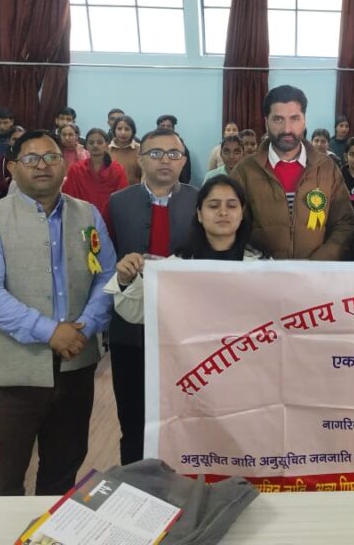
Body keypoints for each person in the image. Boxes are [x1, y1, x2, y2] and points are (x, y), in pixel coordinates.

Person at [0, 129, 116, 495]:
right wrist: (50, 331)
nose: (42, 165)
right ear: (12, 167)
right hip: (12, 375)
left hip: (76, 367)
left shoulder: (88, 214)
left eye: (51, 157)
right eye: (31, 159)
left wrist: (85, 327)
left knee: (62, 474)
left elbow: (106, 277)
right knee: (5, 480)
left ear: (65, 164)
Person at [106, 127, 198, 465]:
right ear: (140, 159)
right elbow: (104, 260)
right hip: (130, 329)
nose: (165, 160)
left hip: (184, 331)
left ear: (184, 161)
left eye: (173, 154)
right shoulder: (118, 203)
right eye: (155, 153)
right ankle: (134, 483)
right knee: (133, 421)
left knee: (184, 421)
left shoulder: (200, 201)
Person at [106, 176, 266, 324]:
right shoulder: (175, 267)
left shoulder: (263, 267)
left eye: (231, 206)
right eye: (213, 206)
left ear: (242, 213)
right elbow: (137, 313)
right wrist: (125, 280)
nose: (223, 212)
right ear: (199, 214)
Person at [230, 85, 354, 260]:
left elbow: (344, 224)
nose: (287, 129)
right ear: (266, 122)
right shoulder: (244, 171)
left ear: (304, 121)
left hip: (316, 274)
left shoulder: (327, 168)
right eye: (278, 119)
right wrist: (258, 263)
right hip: (263, 273)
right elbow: (232, 228)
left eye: (295, 118)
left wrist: (319, 262)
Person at [62, 128, 129, 220]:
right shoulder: (76, 169)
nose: (95, 145)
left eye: (100, 142)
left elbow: (123, 200)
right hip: (82, 220)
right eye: (91, 142)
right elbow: (68, 198)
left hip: (110, 220)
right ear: (86, 146)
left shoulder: (117, 170)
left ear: (107, 145)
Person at [156, 115, 192, 184]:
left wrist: (182, 186)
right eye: (162, 126)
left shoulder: (180, 145)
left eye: (168, 126)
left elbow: (186, 170)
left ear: (173, 128)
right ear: (157, 128)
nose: (165, 128)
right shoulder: (150, 144)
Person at [0, 126, 25, 200]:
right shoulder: (1, 161)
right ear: (8, 141)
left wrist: (8, 180)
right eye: (15, 139)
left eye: (22, 139)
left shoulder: (33, 159)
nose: (18, 142)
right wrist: (10, 180)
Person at [109, 115, 141, 186]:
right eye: (119, 129)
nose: (123, 132)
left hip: (134, 190)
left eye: (127, 129)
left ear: (133, 131)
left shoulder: (140, 149)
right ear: (114, 130)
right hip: (112, 190)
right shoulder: (107, 150)